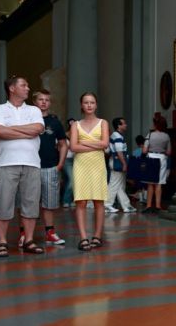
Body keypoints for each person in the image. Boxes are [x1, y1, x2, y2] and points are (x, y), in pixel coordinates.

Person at [0, 76, 46, 257]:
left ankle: (28, 240)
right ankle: (2, 242)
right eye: (24, 85)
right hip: (6, 163)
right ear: (12, 89)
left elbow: (37, 129)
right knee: (3, 203)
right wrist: (25, 130)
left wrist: (11, 128)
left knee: (31, 203)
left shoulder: (34, 109)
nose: (28, 88)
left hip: (31, 163)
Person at [69, 92, 110, 252]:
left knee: (99, 201)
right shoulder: (75, 125)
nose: (89, 105)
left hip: (97, 164)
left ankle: (97, 236)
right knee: (81, 201)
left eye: (92, 102)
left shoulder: (103, 123)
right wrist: (96, 143)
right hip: (81, 165)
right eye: (86, 102)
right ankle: (83, 237)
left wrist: (84, 143)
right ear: (81, 105)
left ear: (96, 105)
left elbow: (105, 143)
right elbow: (73, 147)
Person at [32, 90, 68, 246]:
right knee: (28, 202)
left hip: (49, 166)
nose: (44, 102)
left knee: (49, 203)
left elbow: (63, 144)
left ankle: (50, 233)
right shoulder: (28, 119)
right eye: (41, 99)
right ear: (34, 102)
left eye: (47, 99)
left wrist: (60, 164)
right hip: (30, 166)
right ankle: (24, 234)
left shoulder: (54, 122)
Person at [105, 117, 136, 213]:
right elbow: (119, 152)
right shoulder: (117, 137)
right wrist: (124, 163)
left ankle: (126, 205)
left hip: (115, 161)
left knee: (119, 185)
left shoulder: (116, 135)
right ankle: (107, 204)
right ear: (119, 126)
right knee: (114, 184)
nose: (126, 125)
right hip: (118, 162)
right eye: (124, 123)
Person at [142, 115, 171, 213]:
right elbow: (169, 152)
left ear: (155, 124)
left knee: (150, 183)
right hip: (162, 158)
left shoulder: (150, 135)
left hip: (151, 157)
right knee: (159, 183)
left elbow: (144, 150)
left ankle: (149, 206)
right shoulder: (166, 136)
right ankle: (158, 206)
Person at [61, 119, 76, 208]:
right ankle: (66, 200)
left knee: (70, 181)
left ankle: (71, 200)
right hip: (67, 160)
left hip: (76, 159)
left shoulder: (77, 135)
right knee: (71, 180)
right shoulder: (64, 135)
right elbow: (60, 147)